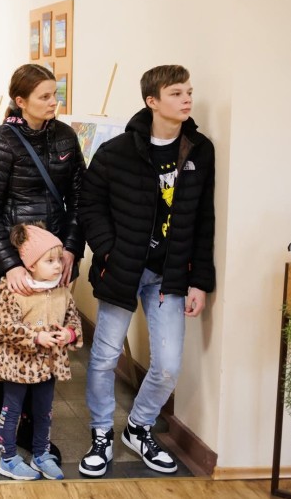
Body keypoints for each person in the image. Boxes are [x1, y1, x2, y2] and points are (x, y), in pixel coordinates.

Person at [77, 64, 215, 478]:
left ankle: (137, 427)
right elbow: (89, 206)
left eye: (189, 91)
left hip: (169, 275)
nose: (187, 99)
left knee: (169, 364)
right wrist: (110, 251)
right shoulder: (117, 151)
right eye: (176, 93)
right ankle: (101, 433)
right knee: (103, 358)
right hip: (121, 270)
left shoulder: (199, 149)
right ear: (152, 101)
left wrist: (199, 281)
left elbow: (203, 218)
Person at [0, 63, 86, 467]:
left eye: (55, 94)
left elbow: (79, 200)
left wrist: (70, 249)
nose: (54, 102)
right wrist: (10, 265)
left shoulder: (66, 137)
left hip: (53, 265)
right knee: (2, 342)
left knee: (48, 340)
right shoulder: (0, 142)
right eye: (44, 96)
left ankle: (31, 431)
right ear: (20, 101)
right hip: (12, 265)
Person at [0, 223, 82, 481]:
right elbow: (5, 327)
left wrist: (69, 334)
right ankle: (7, 459)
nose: (58, 265)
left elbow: (73, 319)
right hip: (17, 364)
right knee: (13, 408)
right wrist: (36, 337)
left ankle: (41, 453)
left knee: (44, 409)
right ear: (30, 264)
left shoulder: (61, 289)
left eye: (59, 259)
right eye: (49, 260)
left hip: (48, 364)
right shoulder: (13, 289)